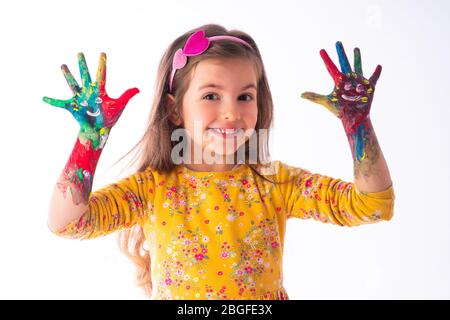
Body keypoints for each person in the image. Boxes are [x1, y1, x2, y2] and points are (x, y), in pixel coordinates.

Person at [44, 24, 395, 300]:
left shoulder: (276, 183)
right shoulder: (152, 189)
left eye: (245, 96)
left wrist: (357, 124)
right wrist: (90, 141)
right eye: (211, 95)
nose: (231, 113)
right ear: (174, 108)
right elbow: (67, 223)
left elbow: (373, 206)